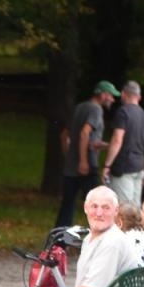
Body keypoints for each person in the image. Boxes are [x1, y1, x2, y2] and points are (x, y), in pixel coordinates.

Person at [57, 81, 118, 227]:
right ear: (103, 94)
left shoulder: (79, 107)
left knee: (67, 207)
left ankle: (59, 245)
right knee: (98, 206)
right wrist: (83, 161)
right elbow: (84, 133)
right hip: (87, 167)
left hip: (70, 168)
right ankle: (99, 238)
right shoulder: (95, 109)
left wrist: (69, 155)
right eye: (111, 96)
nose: (113, 100)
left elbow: (64, 135)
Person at [101, 80, 144, 212]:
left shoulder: (123, 112)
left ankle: (123, 233)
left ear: (123, 94)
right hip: (139, 166)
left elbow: (118, 139)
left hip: (124, 167)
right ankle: (136, 233)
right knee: (135, 210)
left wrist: (107, 165)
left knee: (123, 209)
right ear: (138, 97)